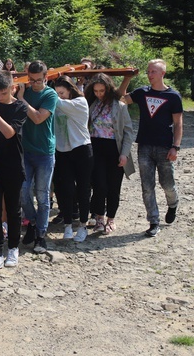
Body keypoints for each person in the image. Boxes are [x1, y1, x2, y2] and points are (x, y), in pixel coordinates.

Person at [120, 59, 183, 237]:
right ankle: (153, 221)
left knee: (167, 184)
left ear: (162, 73)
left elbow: (178, 124)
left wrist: (175, 147)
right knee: (147, 186)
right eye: (148, 71)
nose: (149, 74)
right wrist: (126, 79)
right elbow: (122, 100)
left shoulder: (173, 96)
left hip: (164, 146)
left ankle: (173, 204)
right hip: (144, 146)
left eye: (153, 71)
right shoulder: (142, 92)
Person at [0, 71, 27, 270]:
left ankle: (13, 248)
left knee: (13, 209)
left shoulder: (20, 107)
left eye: (3, 93)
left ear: (12, 88)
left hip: (13, 165)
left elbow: (9, 132)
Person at [84, 73, 135, 235]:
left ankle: (111, 219)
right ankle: (99, 217)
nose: (99, 94)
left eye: (102, 91)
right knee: (99, 185)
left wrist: (124, 154)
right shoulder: (92, 105)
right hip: (96, 147)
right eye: (96, 91)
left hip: (114, 148)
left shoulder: (119, 106)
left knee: (114, 186)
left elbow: (128, 132)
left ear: (108, 89)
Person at [16, 61, 58, 254]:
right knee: (23, 191)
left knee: (42, 195)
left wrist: (22, 99)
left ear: (46, 77)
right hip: (26, 150)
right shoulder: (24, 91)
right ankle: (32, 222)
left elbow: (39, 118)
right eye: (31, 80)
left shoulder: (50, 94)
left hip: (44, 153)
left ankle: (41, 235)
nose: (35, 84)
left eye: (38, 80)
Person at [52, 76, 93, 242]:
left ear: (70, 89)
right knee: (66, 189)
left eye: (62, 92)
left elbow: (58, 103)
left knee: (83, 189)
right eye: (57, 93)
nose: (59, 95)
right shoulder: (57, 103)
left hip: (81, 149)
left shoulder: (80, 102)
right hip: (62, 150)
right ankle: (68, 224)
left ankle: (83, 225)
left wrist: (46, 90)